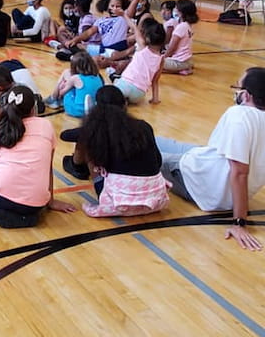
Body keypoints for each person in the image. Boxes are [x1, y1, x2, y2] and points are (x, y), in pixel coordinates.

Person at [156, 67, 265, 250]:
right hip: (210, 165)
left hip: (200, 183)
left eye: (237, 87)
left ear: (246, 95)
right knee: (156, 140)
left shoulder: (238, 115)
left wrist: (239, 222)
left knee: (142, 151)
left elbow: (240, 172)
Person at [0, 85, 75, 228]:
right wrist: (50, 201)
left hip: (1, 199)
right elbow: (47, 167)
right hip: (37, 204)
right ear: (33, 109)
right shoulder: (46, 126)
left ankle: (2, 205)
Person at [78, 85, 170, 218]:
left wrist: (87, 128)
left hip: (117, 204)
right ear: (125, 104)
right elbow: (158, 161)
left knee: (90, 147)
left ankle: (79, 169)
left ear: (97, 108)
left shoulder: (100, 132)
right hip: (156, 202)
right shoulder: (144, 126)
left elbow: (65, 135)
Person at [112, 19, 165, 104]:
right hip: (139, 94)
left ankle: (121, 101)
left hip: (126, 84)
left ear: (147, 38)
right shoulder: (161, 59)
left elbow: (134, 28)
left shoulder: (142, 47)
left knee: (111, 90)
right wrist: (155, 99)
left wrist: (124, 15)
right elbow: (155, 81)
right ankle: (125, 101)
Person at [45, 50, 104, 116]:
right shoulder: (97, 75)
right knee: (69, 79)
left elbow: (61, 93)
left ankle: (53, 98)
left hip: (77, 110)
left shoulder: (76, 78)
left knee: (65, 74)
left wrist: (62, 83)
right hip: (93, 109)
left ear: (76, 66)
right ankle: (53, 98)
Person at [162, 0, 198, 75]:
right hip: (186, 60)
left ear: (181, 12)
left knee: (152, 62)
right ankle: (184, 68)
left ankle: (179, 70)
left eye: (176, 8)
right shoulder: (188, 25)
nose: (174, 10)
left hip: (178, 62)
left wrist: (163, 57)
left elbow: (172, 48)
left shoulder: (181, 27)